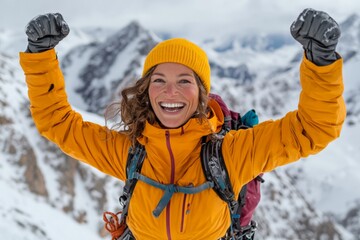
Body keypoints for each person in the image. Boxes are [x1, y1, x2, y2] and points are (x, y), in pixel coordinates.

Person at [19, 8, 345, 240]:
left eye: (184, 81)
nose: (170, 91)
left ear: (203, 94)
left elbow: (313, 127)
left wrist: (321, 63)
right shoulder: (131, 152)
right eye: (158, 79)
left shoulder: (232, 154)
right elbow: (57, 122)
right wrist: (41, 57)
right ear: (146, 90)